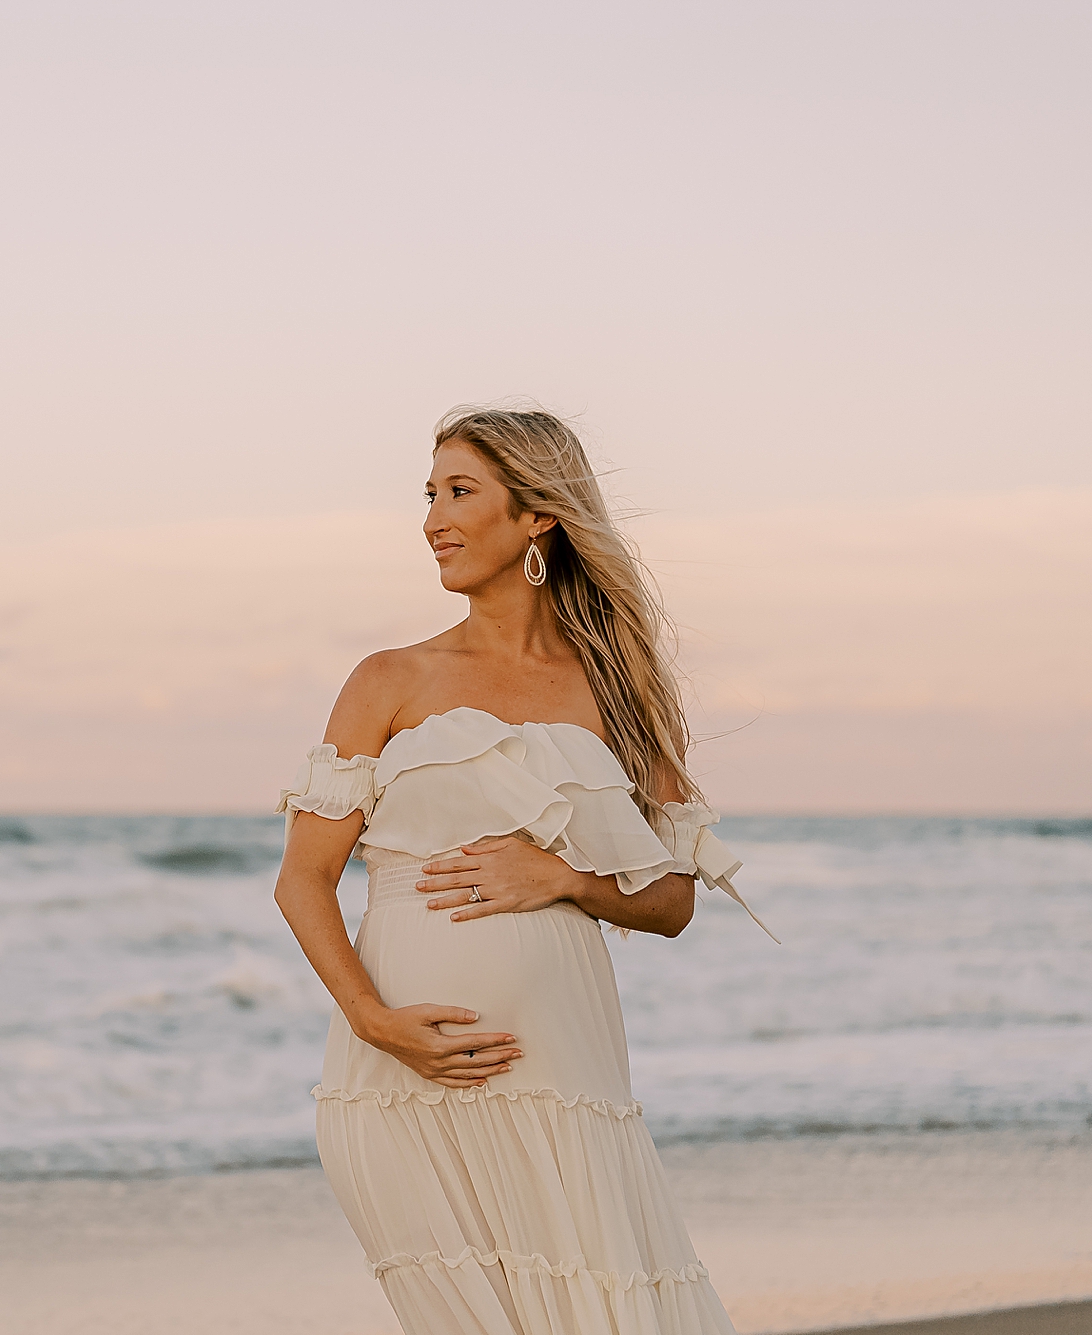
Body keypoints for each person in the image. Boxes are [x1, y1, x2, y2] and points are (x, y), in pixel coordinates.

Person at [272, 406, 773, 1335]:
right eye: (429, 494)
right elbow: (302, 880)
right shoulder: (389, 679)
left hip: (568, 1082)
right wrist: (377, 1023)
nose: (433, 518)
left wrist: (567, 878)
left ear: (538, 514)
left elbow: (671, 903)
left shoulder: (619, 689)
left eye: (460, 491)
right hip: (404, 1081)